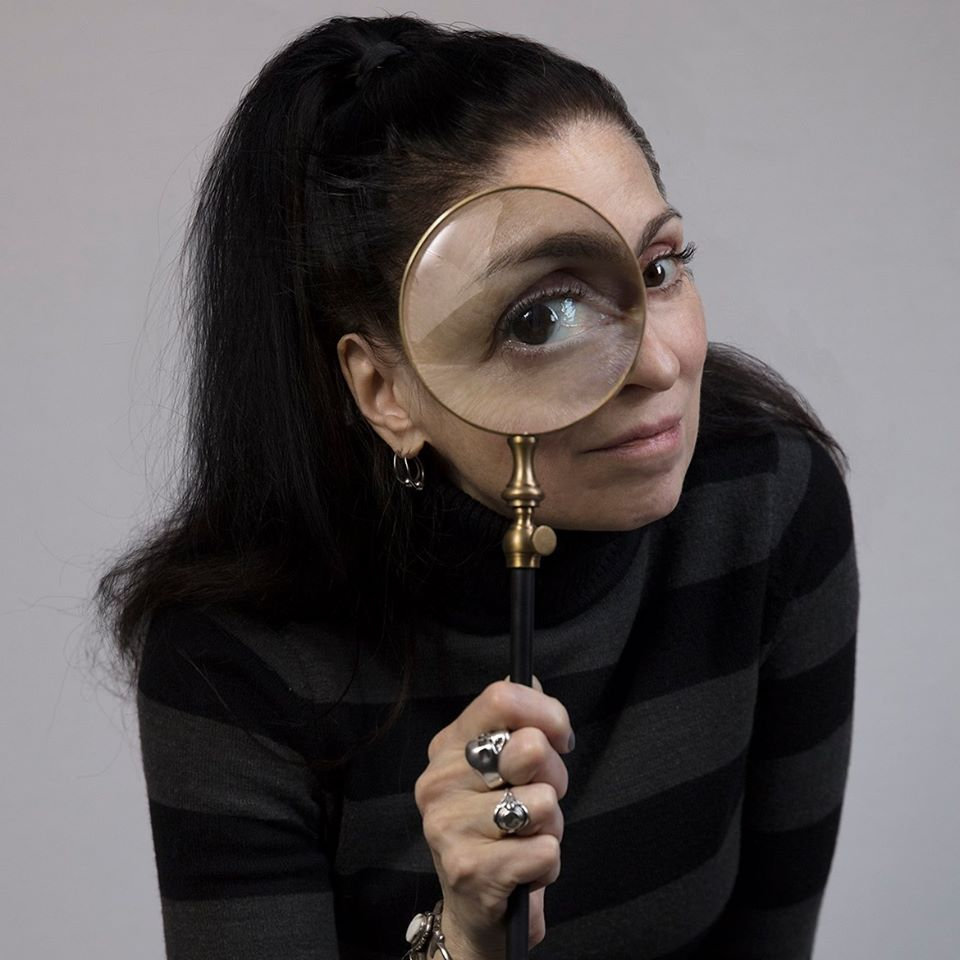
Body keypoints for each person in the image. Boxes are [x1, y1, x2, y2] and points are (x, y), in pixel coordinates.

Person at [95, 14, 858, 960]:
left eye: (659, 269)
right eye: (542, 318)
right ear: (386, 390)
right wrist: (461, 941)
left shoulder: (765, 505)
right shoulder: (234, 659)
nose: (660, 364)